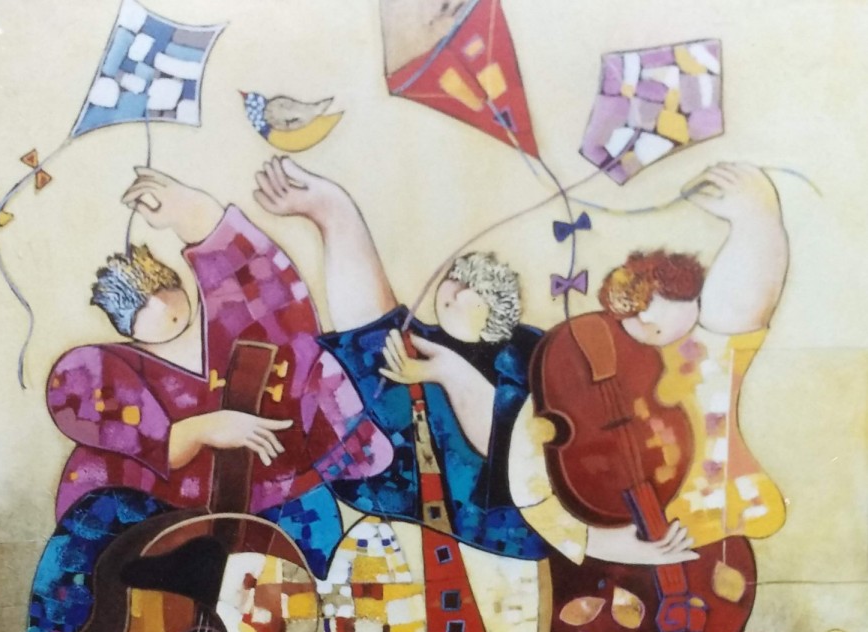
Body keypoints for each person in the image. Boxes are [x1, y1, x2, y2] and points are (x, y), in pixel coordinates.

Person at [27, 168, 393, 632]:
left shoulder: (263, 340)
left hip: (266, 518)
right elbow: (72, 391)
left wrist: (199, 218)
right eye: (137, 316)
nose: (159, 320)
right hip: (143, 529)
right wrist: (195, 429)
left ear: (182, 287)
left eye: (163, 302)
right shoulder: (106, 368)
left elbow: (280, 308)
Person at [507, 163, 857, 632]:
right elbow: (531, 487)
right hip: (617, 572)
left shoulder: (691, 359)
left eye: (683, 311)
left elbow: (740, 308)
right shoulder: (572, 364)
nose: (670, 327)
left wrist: (759, 219)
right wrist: (609, 544)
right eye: (650, 315)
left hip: (698, 566)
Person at [251, 156, 695, 568]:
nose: (644, 333)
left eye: (656, 330)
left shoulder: (618, 394)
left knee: (387, 358)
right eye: (642, 316)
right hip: (448, 431)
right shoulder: (565, 350)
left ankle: (336, 216)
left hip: (477, 487)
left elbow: (519, 463)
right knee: (388, 347)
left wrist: (448, 371)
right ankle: (336, 215)